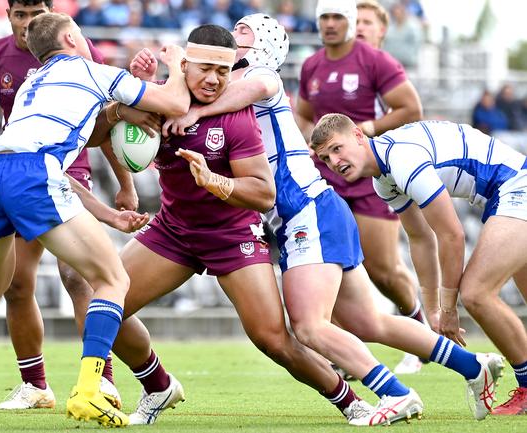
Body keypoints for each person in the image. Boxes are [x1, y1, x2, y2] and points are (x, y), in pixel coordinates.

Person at [159, 13, 507, 425]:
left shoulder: (262, 77)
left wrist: (182, 75)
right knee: (368, 321)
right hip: (311, 211)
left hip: (305, 209)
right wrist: (179, 71)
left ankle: (395, 394)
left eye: (243, 34)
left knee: (308, 326)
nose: (233, 39)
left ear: (265, 46)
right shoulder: (227, 83)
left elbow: (208, 96)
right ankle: (473, 366)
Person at [0, 11, 190, 428]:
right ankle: (91, 390)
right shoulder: (92, 69)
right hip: (33, 177)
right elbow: (176, 104)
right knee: (112, 280)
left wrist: (110, 207)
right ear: (71, 38)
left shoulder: (30, 84)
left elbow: (63, 145)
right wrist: (176, 63)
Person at [112, 22, 379, 427]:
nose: (215, 80)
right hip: (174, 230)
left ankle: (351, 402)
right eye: (204, 69)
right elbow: (101, 133)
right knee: (105, 306)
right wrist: (126, 104)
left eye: (223, 71)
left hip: (232, 234)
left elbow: (263, 194)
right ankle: (158, 386)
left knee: (272, 339)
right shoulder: (159, 99)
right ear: (185, 64)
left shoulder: (236, 115)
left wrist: (215, 181)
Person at [0, 0, 136, 411]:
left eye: (36, 13)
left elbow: (105, 117)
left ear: (53, 14)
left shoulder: (77, 49)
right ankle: (36, 385)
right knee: (16, 284)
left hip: (67, 170)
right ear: (8, 15)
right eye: (20, 14)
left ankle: (102, 381)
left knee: (79, 277)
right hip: (18, 176)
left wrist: (125, 183)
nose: (28, 23)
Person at [311, 113, 527, 418]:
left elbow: (451, 234)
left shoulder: (401, 159)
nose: (334, 161)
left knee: (477, 293)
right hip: (506, 192)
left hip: (517, 186)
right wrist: (433, 313)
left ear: (359, 135)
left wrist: (449, 308)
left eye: (337, 148)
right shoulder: (383, 180)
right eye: (325, 158)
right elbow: (421, 238)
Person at [295, 0, 427, 375]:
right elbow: (304, 114)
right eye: (325, 18)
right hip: (326, 178)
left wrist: (364, 130)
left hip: (370, 176)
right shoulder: (311, 65)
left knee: (383, 268)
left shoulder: (374, 60)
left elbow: (410, 109)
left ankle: (420, 331)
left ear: (351, 22)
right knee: (331, 264)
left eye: (339, 17)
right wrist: (310, 140)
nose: (331, 24)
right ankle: (345, 352)